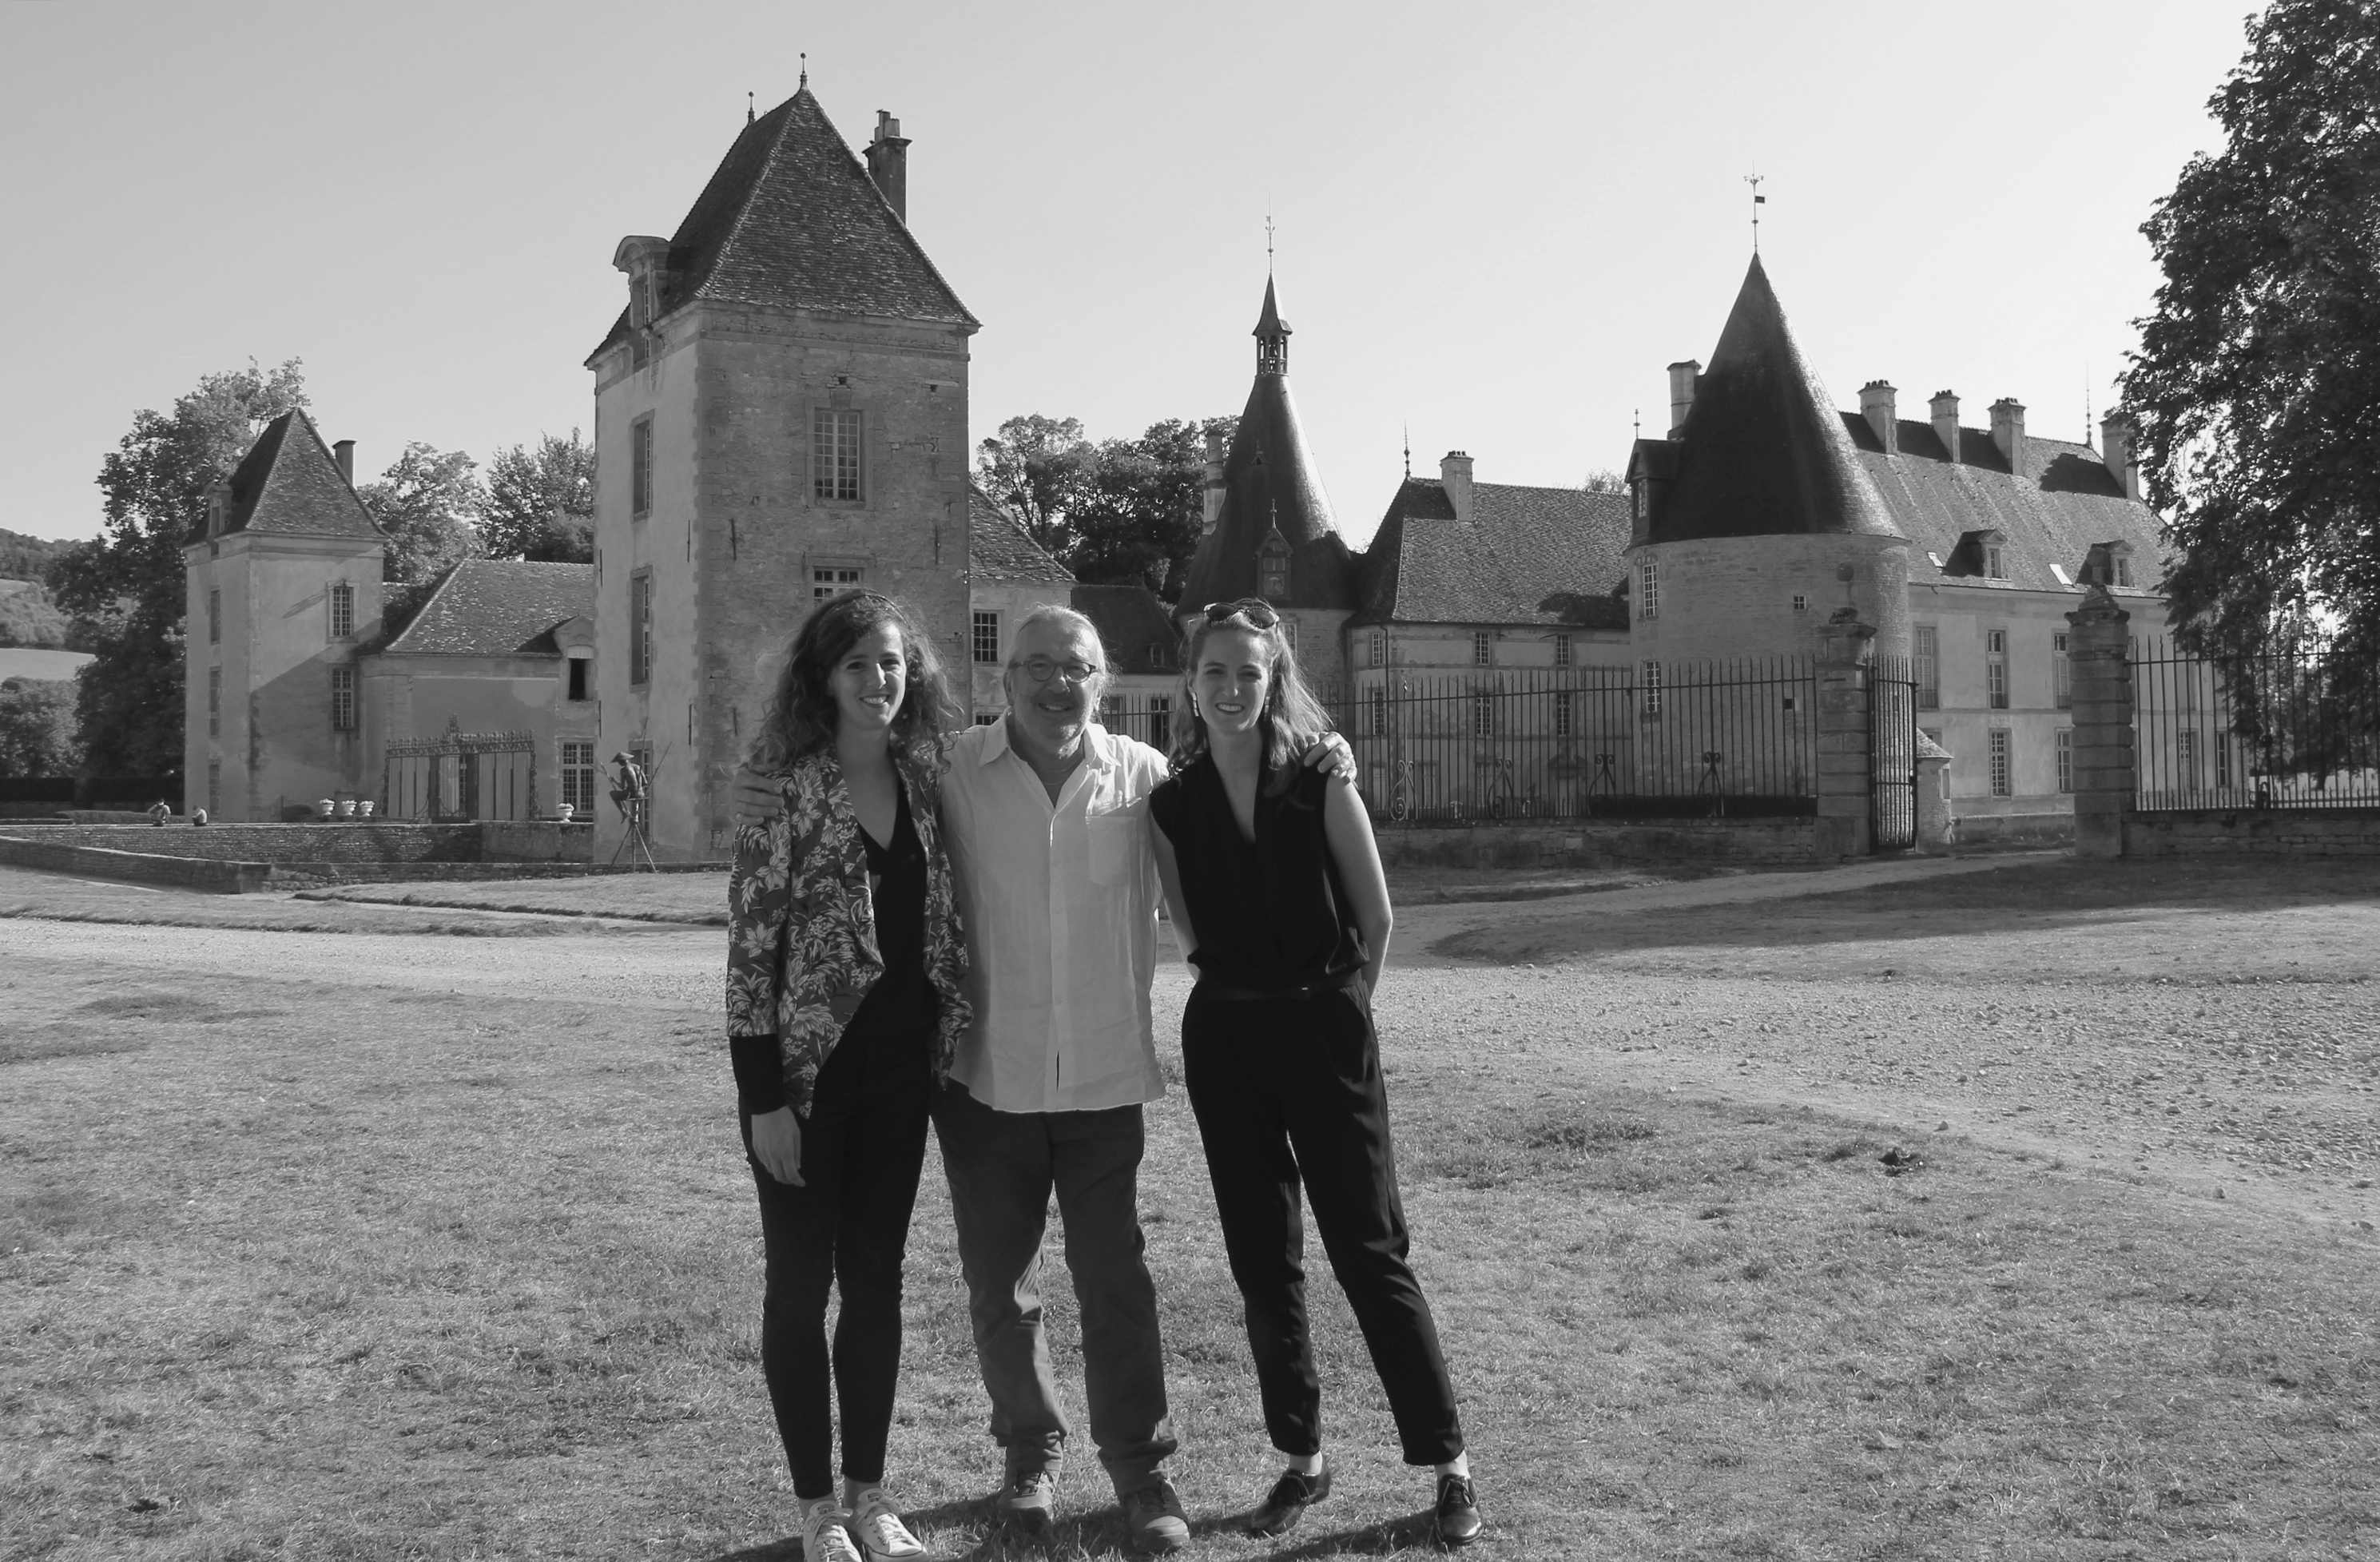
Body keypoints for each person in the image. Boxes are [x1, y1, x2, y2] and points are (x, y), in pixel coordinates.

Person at [731, 603, 1353, 1556]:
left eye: (1078, 667)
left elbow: (1249, 795)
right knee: (999, 1290)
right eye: (1036, 667)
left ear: (1103, 679)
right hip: (986, 1077)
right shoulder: (951, 771)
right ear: (1003, 676)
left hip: (1103, 1075)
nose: (1057, 684)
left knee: (1115, 1283)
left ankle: (1143, 1472)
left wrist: (1322, 755)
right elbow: (843, 770)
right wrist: (761, 781)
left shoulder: (1150, 781)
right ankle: (1029, 1454)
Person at [1147, 598, 1483, 1548]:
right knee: (1263, 1262)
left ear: (1274, 679)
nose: (1229, 687)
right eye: (1214, 671)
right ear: (1191, 681)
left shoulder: (1320, 779)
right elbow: (1191, 933)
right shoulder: (1171, 803)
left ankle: (1449, 1464)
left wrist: (1340, 1014)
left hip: (1325, 1028)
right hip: (1228, 1037)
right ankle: (1303, 1459)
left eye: (1248, 672)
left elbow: (1375, 922)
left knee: (1369, 1252)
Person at [725, 591, 971, 1562]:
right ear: (823, 678)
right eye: (860, 663)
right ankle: (816, 1506)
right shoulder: (784, 788)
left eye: (896, 663)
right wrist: (763, 1101)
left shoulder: (924, 779)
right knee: (798, 1287)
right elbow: (750, 956)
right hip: (804, 1079)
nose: (881, 680)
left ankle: (872, 1495)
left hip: (899, 1075)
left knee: (876, 1283)